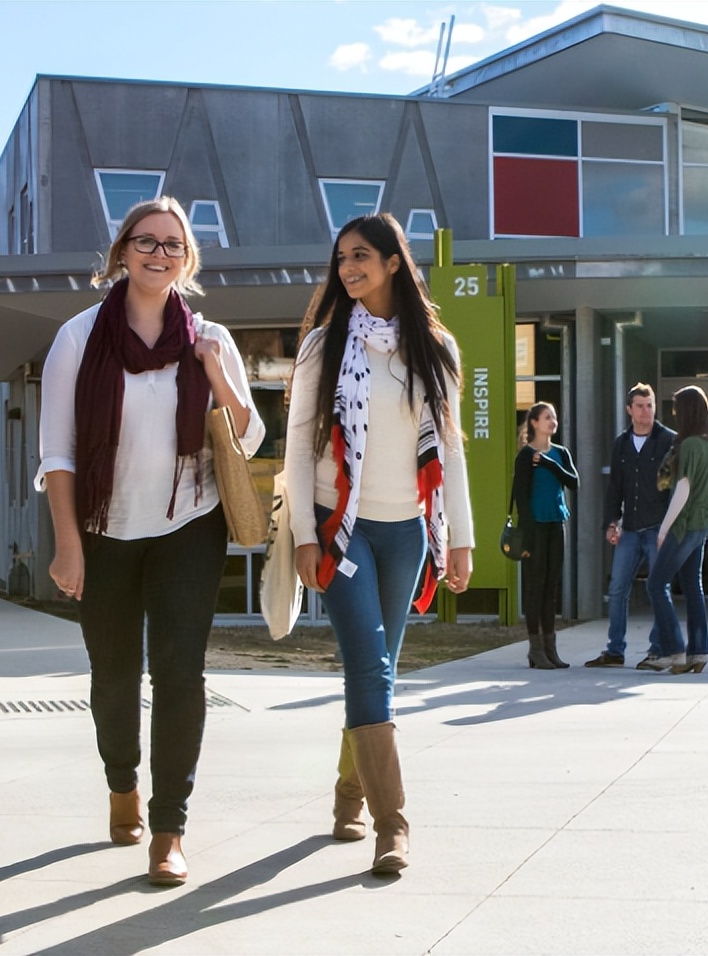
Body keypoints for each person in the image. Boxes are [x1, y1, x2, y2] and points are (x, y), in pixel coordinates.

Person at [37, 197, 263, 886]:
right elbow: (59, 453)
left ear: (186, 259)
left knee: (179, 675)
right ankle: (120, 782)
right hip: (104, 533)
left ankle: (170, 828)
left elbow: (250, 438)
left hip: (188, 527)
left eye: (172, 244)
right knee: (112, 678)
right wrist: (68, 543)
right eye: (145, 241)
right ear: (122, 251)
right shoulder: (78, 338)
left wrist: (216, 372)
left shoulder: (210, 336)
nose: (158, 253)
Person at [285, 213, 473, 874]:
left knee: (379, 674)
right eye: (340, 259)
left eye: (360, 256)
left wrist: (461, 541)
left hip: (410, 533)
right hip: (344, 530)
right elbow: (300, 446)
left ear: (395, 261)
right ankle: (393, 825)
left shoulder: (436, 348)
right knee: (370, 667)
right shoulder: (325, 347)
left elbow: (449, 450)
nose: (348, 269)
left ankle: (347, 795)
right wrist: (307, 537)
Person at [586, 384, 675, 670]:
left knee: (658, 588)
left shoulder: (668, 440)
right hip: (631, 527)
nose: (645, 411)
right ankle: (615, 650)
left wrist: (669, 530)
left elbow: (675, 488)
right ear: (629, 409)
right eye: (640, 406)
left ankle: (658, 649)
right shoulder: (621, 443)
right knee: (617, 588)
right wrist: (611, 522)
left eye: (649, 405)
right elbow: (615, 488)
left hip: (658, 528)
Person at [643, 385, 708, 674]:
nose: (674, 413)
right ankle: (698, 652)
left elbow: (683, 489)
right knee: (692, 587)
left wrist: (663, 530)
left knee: (655, 584)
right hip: (702, 524)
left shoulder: (688, 445)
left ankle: (673, 648)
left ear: (687, 410)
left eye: (676, 408)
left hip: (685, 525)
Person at [512, 402, 579, 669]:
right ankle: (535, 650)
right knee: (535, 588)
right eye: (547, 417)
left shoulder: (560, 453)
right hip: (535, 528)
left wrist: (551, 465)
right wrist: (527, 536)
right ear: (535, 424)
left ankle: (551, 649)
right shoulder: (526, 456)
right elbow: (521, 498)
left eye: (554, 417)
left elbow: (574, 482)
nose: (553, 421)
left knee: (551, 588)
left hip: (555, 524)